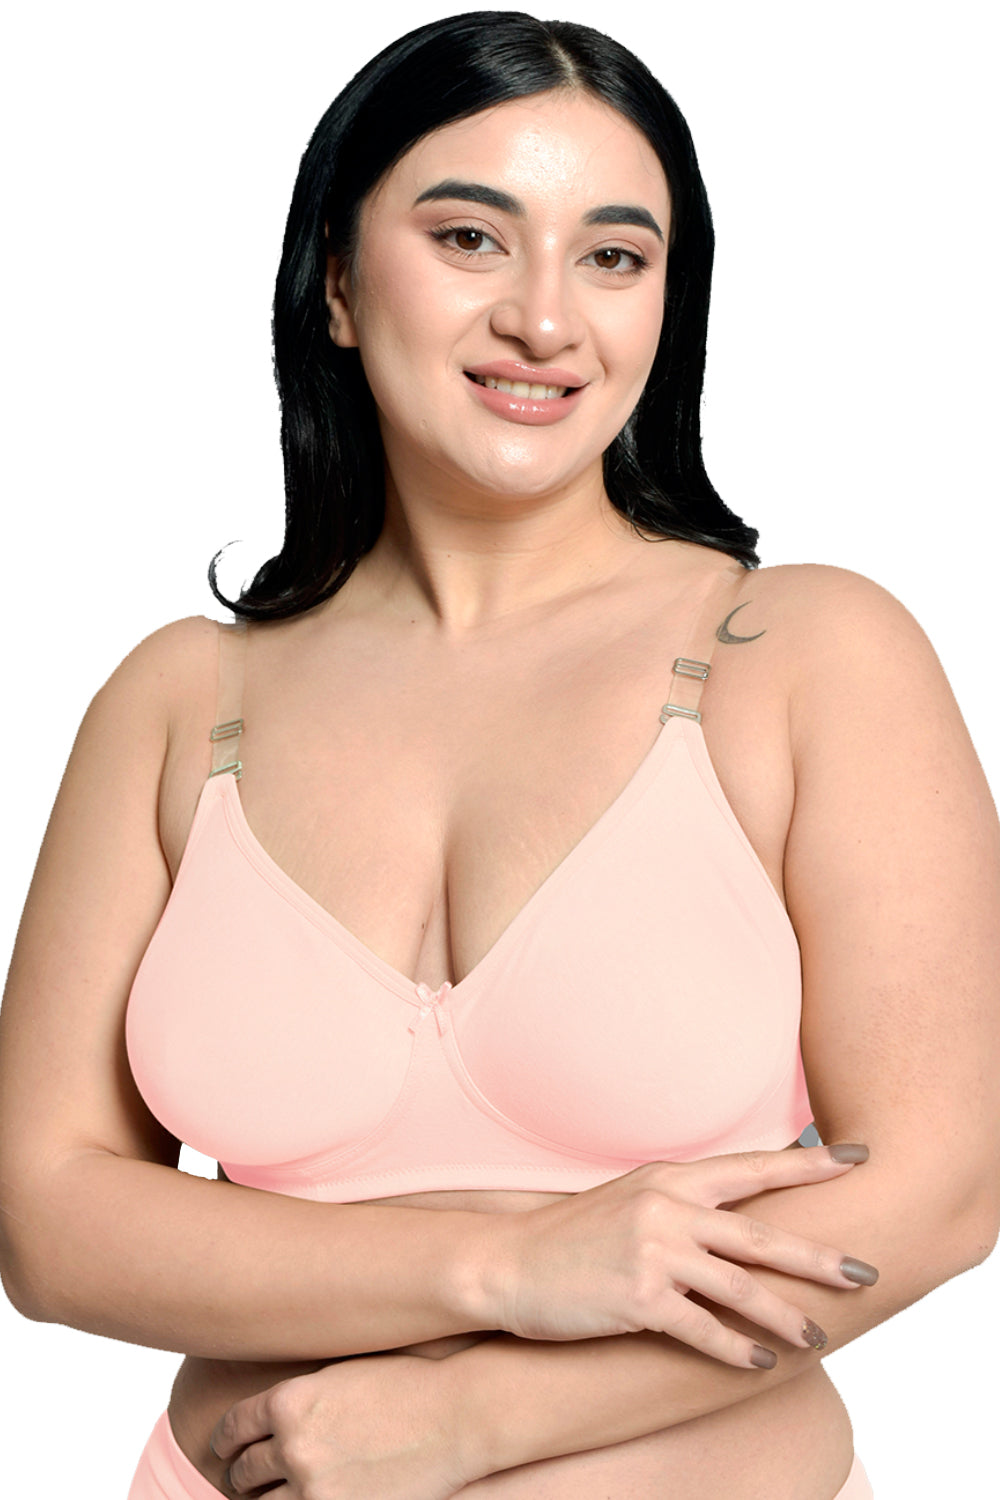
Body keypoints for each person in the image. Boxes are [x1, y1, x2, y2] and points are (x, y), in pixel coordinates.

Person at [1, 10, 998, 1498]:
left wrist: (473, 1420)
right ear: (339, 282)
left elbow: (938, 1189)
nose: (545, 319)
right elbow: (47, 1224)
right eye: (471, 238)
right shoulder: (178, 699)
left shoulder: (802, 656)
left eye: (614, 257)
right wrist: (505, 1269)